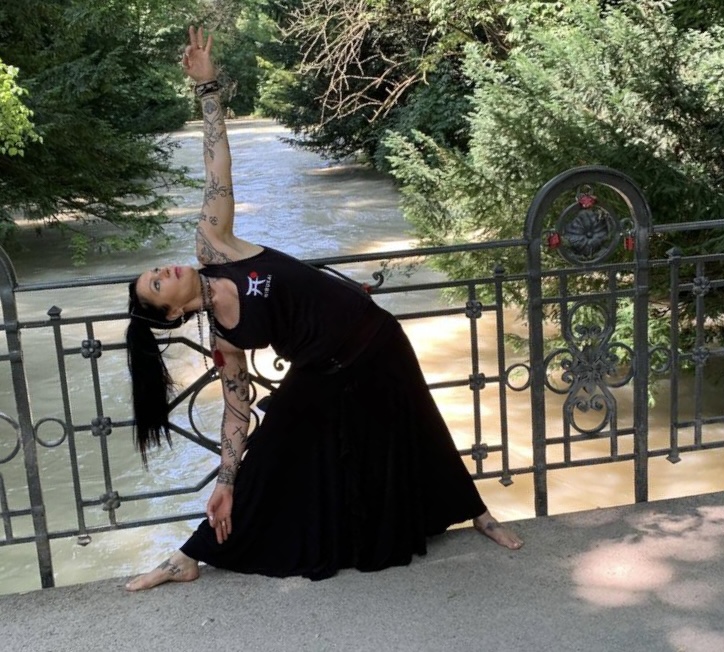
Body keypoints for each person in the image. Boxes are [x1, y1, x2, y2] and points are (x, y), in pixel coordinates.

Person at [124, 26, 522, 592]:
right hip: (323, 370)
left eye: (157, 270)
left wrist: (207, 89)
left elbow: (218, 171)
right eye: (157, 284)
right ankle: (190, 556)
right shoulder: (224, 341)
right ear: (171, 315)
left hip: (375, 338)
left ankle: (479, 514)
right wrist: (226, 482)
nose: (165, 271)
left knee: (420, 424)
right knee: (271, 448)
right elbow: (236, 413)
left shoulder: (216, 247)